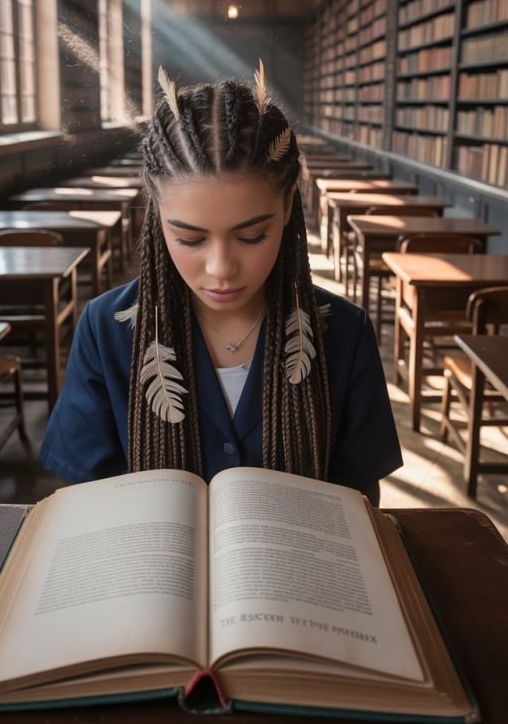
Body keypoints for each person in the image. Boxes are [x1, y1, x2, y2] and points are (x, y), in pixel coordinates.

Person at [39, 66, 402, 506]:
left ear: (288, 204)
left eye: (252, 237)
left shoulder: (344, 333)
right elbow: (87, 500)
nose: (221, 268)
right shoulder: (106, 330)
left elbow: (358, 504)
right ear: (157, 211)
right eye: (189, 239)